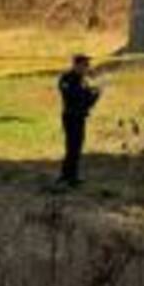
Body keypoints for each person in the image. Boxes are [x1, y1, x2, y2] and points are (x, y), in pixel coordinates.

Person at [57, 54, 100, 188]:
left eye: (88, 65)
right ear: (76, 65)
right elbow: (73, 96)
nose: (87, 68)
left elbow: (89, 101)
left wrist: (95, 94)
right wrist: (90, 94)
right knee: (71, 147)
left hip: (80, 116)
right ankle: (67, 176)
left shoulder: (84, 81)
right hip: (71, 116)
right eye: (84, 65)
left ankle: (72, 175)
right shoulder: (66, 78)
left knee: (77, 147)